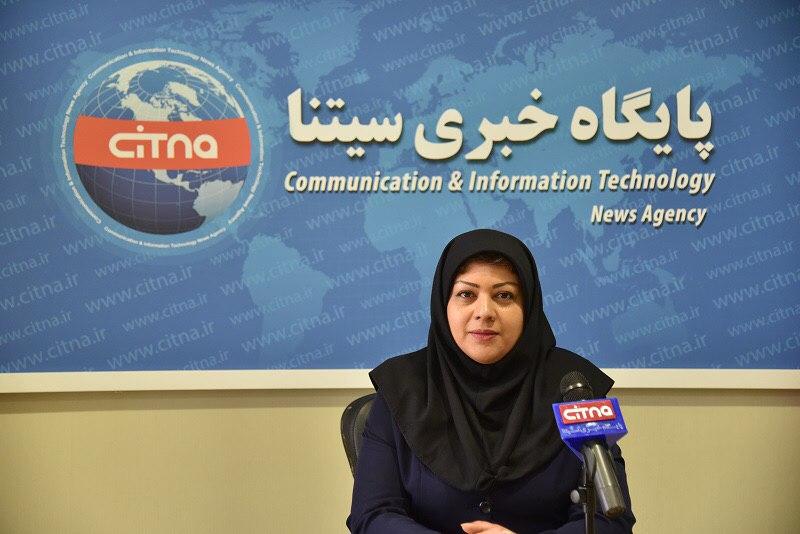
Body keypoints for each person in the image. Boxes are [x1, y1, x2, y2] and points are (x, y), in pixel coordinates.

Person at [347, 229, 635, 534]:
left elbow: (611, 520)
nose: (484, 312)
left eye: (504, 295)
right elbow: (372, 515)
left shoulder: (574, 387)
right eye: (466, 294)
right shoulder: (402, 388)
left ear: (528, 306)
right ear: (443, 304)